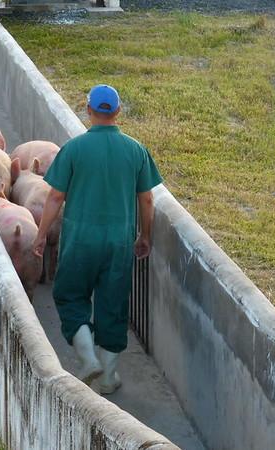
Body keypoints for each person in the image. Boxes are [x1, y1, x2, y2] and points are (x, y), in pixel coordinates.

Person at [32, 84, 162, 394]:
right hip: (119, 243)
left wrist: (40, 234)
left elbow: (55, 197)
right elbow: (146, 200)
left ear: (89, 111)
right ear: (117, 112)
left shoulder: (74, 149)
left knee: (70, 295)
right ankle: (107, 378)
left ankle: (88, 358)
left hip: (79, 240)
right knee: (112, 304)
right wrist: (145, 236)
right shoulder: (135, 150)